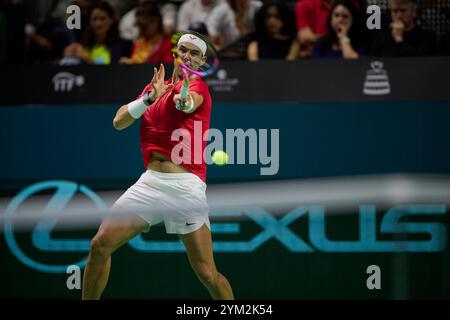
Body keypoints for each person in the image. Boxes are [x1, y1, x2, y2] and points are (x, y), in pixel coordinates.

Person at [82, 32, 234, 300]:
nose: (187, 55)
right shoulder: (155, 88)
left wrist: (183, 92)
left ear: (201, 61)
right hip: (150, 183)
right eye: (183, 50)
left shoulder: (198, 88)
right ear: (175, 53)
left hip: (185, 187)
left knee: (208, 275)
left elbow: (185, 104)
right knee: (99, 245)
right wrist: (149, 98)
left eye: (194, 53)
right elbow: (118, 122)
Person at [62, 1, 131, 65]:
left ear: (111, 20)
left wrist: (86, 58)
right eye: (94, 19)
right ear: (89, 22)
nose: (98, 23)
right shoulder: (83, 46)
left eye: (102, 19)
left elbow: (112, 72)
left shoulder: (124, 46)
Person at [370, 0, 437, 57]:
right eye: (395, 11)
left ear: (414, 12)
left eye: (403, 11)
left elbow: (422, 63)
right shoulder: (381, 37)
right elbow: (374, 62)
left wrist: (399, 39)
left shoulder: (427, 37)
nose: (399, 16)